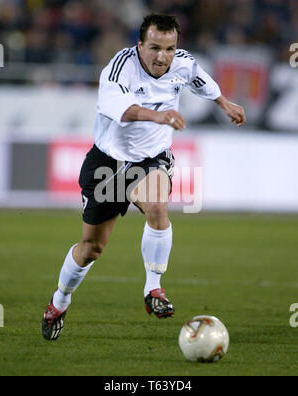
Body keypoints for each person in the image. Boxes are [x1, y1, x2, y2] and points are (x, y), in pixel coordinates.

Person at [42, 13, 246, 341]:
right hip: (107, 165)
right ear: (140, 45)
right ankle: (59, 301)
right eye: (154, 48)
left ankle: (154, 288)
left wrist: (223, 102)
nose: (162, 56)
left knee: (157, 209)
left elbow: (199, 78)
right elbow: (123, 111)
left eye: (169, 48)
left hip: (150, 160)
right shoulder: (119, 68)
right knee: (91, 249)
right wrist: (159, 115)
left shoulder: (182, 63)